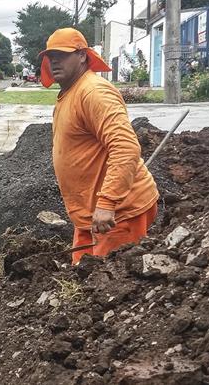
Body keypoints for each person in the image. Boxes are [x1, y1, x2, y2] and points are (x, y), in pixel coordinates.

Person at [39, 28, 159, 265]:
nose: (54, 62)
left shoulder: (94, 92)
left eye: (61, 55)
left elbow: (125, 147)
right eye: (51, 57)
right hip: (91, 217)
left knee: (108, 289)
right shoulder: (71, 92)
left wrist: (107, 204)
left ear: (82, 55)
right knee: (82, 284)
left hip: (118, 215)